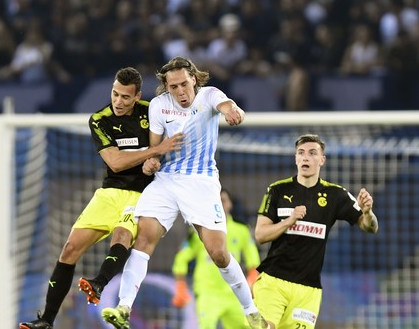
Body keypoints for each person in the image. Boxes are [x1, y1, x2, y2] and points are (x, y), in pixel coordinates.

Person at [101, 56, 268, 329]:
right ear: (166, 88)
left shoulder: (209, 95)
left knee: (218, 253)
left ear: (194, 79)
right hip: (166, 181)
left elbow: (227, 105)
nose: (180, 91)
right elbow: (155, 150)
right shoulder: (158, 106)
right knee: (143, 239)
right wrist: (151, 162)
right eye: (173, 87)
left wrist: (232, 111)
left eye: (183, 84)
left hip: (201, 183)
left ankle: (251, 311)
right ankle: (124, 307)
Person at [19, 67, 184, 329]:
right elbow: (115, 162)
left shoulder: (151, 111)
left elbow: (171, 141)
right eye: (115, 94)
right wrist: (155, 150)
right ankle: (46, 320)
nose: (118, 102)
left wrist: (157, 158)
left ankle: (98, 283)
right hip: (109, 193)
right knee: (70, 249)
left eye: (125, 97)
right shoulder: (100, 119)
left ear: (137, 96)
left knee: (122, 236)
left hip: (142, 194)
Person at [253, 133, 379, 328]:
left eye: (312, 153)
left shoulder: (336, 195)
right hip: (273, 282)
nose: (306, 157)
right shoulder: (277, 190)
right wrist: (289, 221)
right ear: (296, 158)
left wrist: (368, 212)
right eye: (301, 153)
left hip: (308, 291)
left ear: (322, 160)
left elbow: (370, 227)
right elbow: (260, 235)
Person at [171, 187, 261, 329]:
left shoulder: (241, 230)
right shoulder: (199, 231)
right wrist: (180, 286)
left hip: (234, 293)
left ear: (230, 204)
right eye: (216, 201)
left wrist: (253, 276)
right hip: (208, 293)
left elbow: (252, 258)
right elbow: (182, 257)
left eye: (223, 200)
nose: (220, 204)